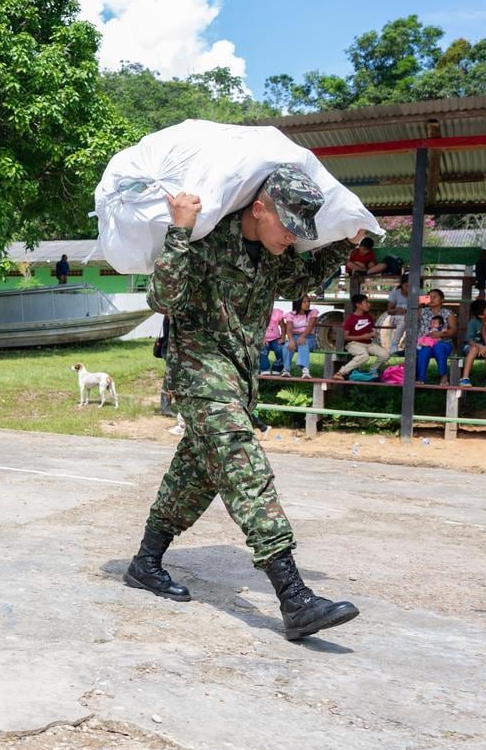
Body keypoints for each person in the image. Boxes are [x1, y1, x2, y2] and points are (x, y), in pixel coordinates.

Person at [121, 163, 361, 642]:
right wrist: (179, 231)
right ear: (259, 209)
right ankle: (294, 598)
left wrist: (343, 244)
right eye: (288, 228)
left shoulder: (270, 252)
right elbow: (162, 297)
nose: (291, 239)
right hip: (200, 374)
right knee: (243, 466)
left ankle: (145, 562)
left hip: (237, 380)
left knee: (196, 473)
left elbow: (298, 281)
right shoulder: (207, 241)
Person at [335, 294, 390, 380]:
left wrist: (373, 334)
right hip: (353, 344)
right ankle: (340, 373)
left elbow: (371, 330)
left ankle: (372, 370)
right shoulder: (350, 320)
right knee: (364, 356)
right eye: (366, 302)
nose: (369, 304)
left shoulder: (368, 317)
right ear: (358, 305)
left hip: (368, 344)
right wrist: (362, 336)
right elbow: (346, 337)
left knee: (385, 355)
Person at [415, 288, 457, 385]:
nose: (431, 299)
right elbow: (407, 320)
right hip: (425, 343)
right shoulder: (422, 311)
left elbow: (454, 330)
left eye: (435, 297)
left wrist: (441, 334)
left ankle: (443, 376)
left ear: (442, 300)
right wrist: (419, 304)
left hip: (443, 343)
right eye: (429, 297)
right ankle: (421, 378)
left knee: (439, 347)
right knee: (424, 351)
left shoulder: (448, 313)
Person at [459, 299, 486, 388]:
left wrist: (485, 346)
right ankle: (465, 378)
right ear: (481, 315)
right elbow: (469, 340)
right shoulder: (473, 322)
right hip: (471, 346)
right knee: (474, 349)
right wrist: (479, 346)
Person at [281, 294, 318, 378]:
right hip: (294, 337)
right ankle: (286, 369)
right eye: (304, 302)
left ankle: (305, 370)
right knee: (287, 345)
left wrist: (303, 336)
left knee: (303, 343)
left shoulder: (313, 313)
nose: (307, 303)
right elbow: (289, 329)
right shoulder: (291, 314)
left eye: (308, 301)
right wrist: (290, 339)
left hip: (308, 337)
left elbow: (310, 327)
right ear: (298, 303)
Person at [382, 273, 411, 354]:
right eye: (406, 286)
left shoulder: (420, 292)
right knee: (403, 320)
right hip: (397, 317)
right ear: (402, 285)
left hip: (414, 317)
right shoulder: (395, 293)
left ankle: (412, 345)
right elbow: (389, 311)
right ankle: (394, 346)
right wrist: (396, 309)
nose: (409, 289)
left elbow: (424, 307)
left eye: (411, 286)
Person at [258, 305, 286, 375]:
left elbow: (283, 326)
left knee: (280, 350)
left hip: (276, 338)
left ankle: (277, 368)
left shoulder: (277, 312)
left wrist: (282, 338)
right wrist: (261, 338)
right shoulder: (260, 312)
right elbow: (257, 327)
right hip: (264, 339)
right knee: (263, 350)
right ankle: (264, 368)